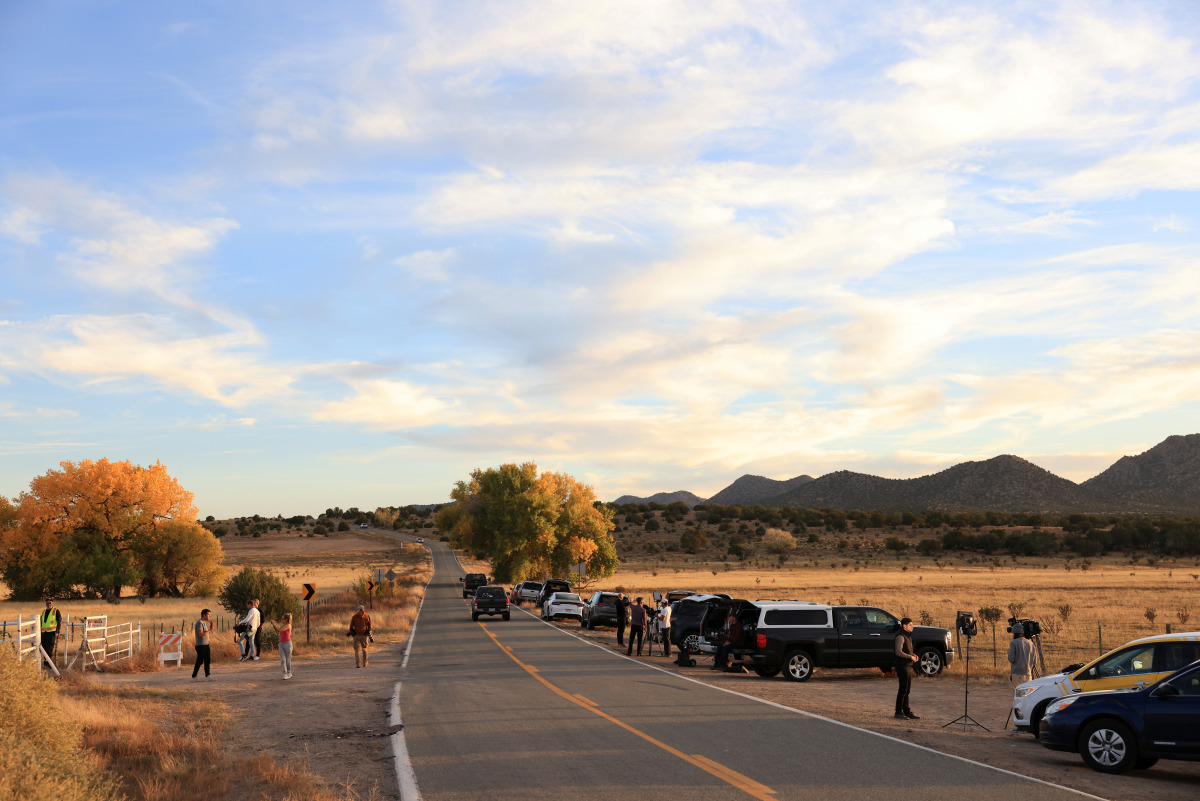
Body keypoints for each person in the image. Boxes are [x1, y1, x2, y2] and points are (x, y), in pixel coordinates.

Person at [894, 617, 920, 720]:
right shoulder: (900, 636)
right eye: (910, 625)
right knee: (903, 689)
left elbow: (908, 650)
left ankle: (907, 711)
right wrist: (910, 657)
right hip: (902, 665)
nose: (912, 627)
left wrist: (913, 655)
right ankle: (898, 712)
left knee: (907, 690)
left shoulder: (908, 636)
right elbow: (898, 652)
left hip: (908, 665)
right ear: (904, 626)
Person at [39, 597, 62, 669]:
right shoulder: (43, 611)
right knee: (43, 648)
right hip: (43, 632)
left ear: (53, 603)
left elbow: (59, 621)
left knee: (49, 648)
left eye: (50, 602)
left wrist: (57, 631)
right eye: (47, 602)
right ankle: (45, 663)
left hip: (52, 632)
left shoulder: (56, 610)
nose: (48, 604)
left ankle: (48, 664)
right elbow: (41, 622)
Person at [192, 608, 214, 680]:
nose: (209, 616)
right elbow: (201, 634)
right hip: (200, 645)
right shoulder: (199, 623)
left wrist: (209, 629)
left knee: (207, 660)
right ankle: (194, 676)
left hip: (206, 644)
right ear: (204, 615)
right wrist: (210, 630)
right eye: (208, 615)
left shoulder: (204, 623)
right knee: (200, 661)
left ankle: (207, 675)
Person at [271, 613, 293, 679]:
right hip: (281, 644)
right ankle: (284, 673)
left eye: (283, 619)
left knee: (288, 660)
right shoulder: (283, 626)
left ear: (286, 619)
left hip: (287, 644)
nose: (281, 620)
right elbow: (277, 631)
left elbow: (279, 630)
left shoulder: (288, 625)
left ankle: (289, 672)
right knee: (283, 660)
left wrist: (274, 624)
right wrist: (273, 625)